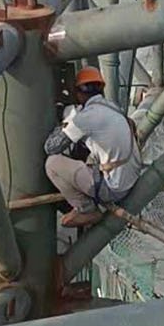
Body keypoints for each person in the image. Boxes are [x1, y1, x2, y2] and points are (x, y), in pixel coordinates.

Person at [44, 64, 142, 227]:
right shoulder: (112, 107)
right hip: (131, 176)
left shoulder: (85, 117)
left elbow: (51, 148)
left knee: (52, 164)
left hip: (115, 188)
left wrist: (65, 124)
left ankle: (86, 209)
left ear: (79, 93)